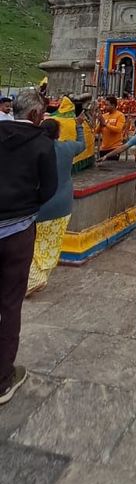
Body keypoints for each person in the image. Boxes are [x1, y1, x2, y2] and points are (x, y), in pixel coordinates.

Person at [0, 88, 58, 405]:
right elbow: (48, 188)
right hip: (17, 231)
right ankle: (2, 379)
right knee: (9, 303)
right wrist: (26, 207)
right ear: (37, 115)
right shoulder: (40, 142)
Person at [26, 114, 86, 296]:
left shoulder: (32, 149)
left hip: (38, 205)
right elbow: (82, 145)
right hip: (62, 205)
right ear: (58, 133)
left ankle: (31, 278)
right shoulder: (67, 147)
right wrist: (79, 126)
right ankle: (35, 279)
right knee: (51, 244)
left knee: (32, 244)